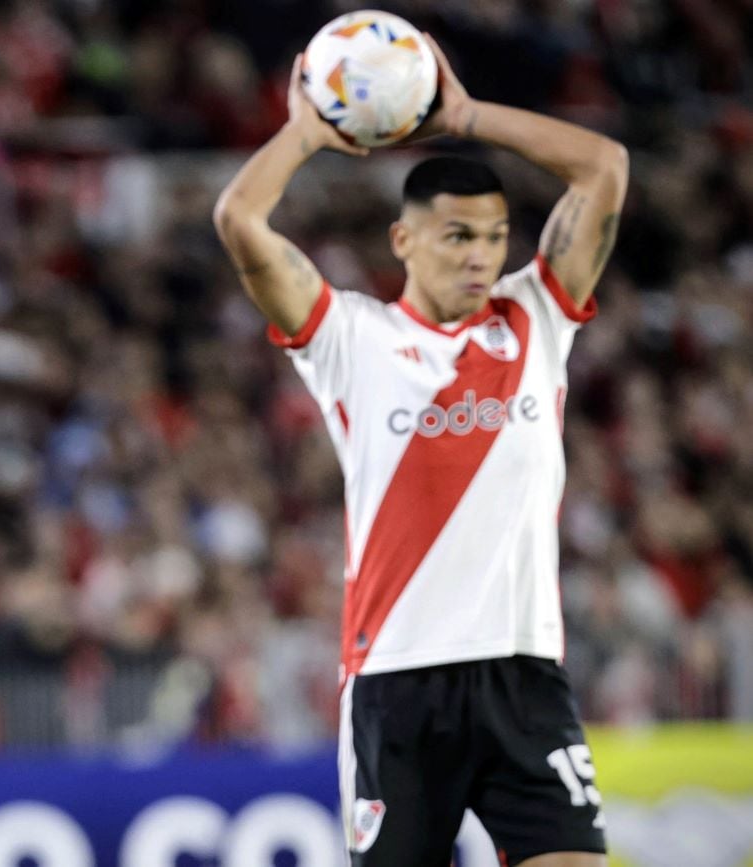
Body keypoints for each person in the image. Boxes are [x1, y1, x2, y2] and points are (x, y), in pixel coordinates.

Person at [213, 33, 627, 867]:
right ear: (404, 242)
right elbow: (238, 219)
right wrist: (306, 131)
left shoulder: (534, 319)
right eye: (458, 238)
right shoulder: (349, 338)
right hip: (399, 680)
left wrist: (468, 115)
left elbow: (605, 166)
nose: (482, 258)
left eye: (495, 237)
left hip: (523, 673)